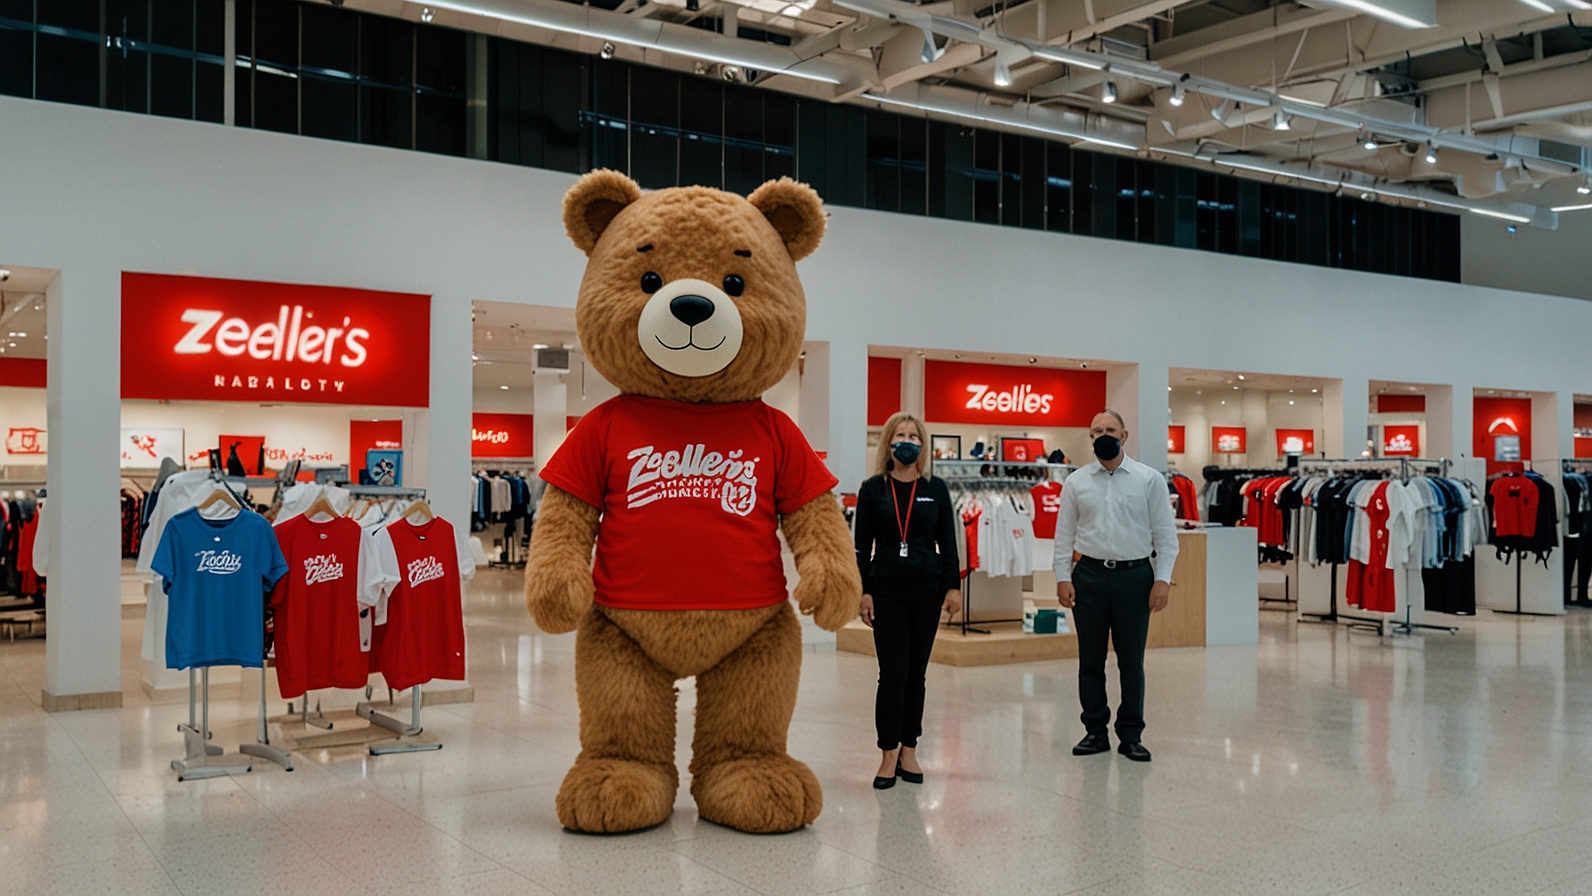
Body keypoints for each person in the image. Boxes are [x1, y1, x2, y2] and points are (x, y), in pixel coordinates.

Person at [1052, 409, 1178, 762]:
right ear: (1089, 437)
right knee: (1089, 659)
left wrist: (1162, 580)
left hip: (1135, 577)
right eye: (1096, 430)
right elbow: (1063, 536)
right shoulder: (1076, 482)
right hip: (1088, 575)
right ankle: (1094, 730)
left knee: (1131, 661)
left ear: (1123, 436)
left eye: (1110, 429)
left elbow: (1166, 538)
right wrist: (1063, 576)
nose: (1103, 435)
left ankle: (1131, 734)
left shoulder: (1148, 480)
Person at [854, 412, 962, 789]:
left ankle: (909, 749)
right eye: (900, 434)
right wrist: (863, 590)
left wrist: (953, 587)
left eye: (914, 435)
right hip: (886, 591)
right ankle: (887, 752)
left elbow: (948, 542)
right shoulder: (872, 489)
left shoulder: (936, 488)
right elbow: (860, 547)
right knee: (893, 674)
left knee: (917, 674)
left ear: (922, 444)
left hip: (927, 590)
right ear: (888, 442)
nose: (907, 440)